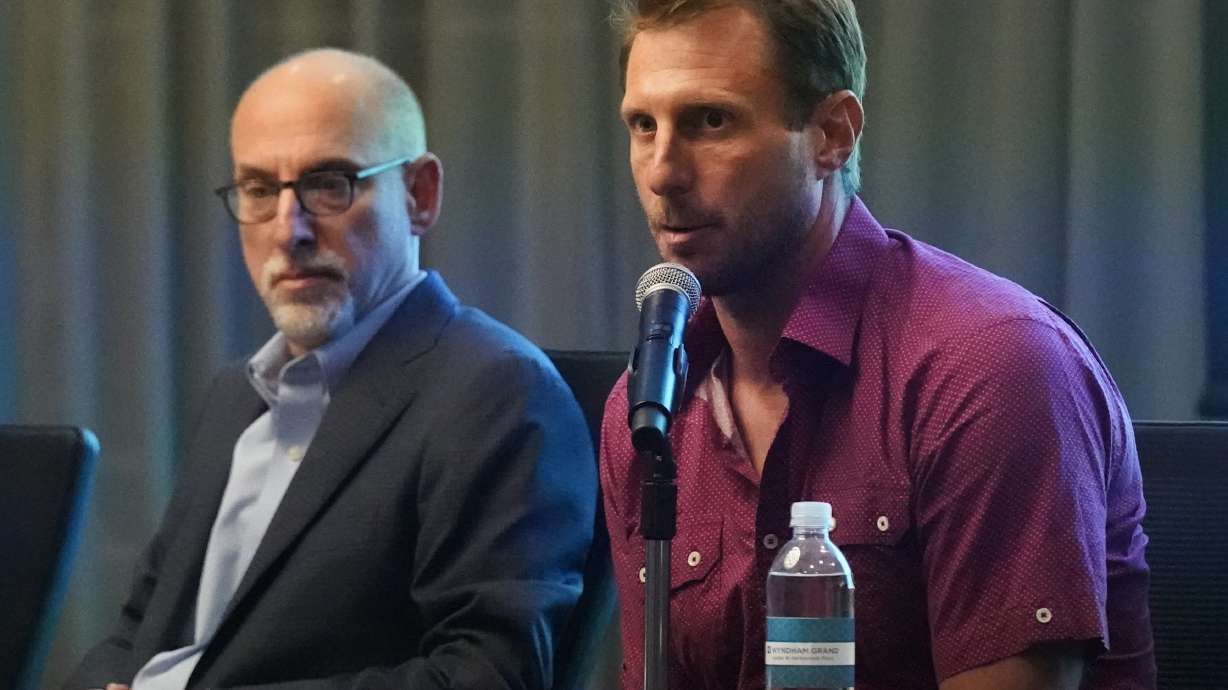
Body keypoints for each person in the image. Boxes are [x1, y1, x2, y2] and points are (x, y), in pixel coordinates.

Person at [599, 2, 1154, 689]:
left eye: (710, 121)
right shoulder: (649, 411)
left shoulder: (990, 368)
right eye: (642, 125)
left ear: (833, 133)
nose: (661, 173)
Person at [65, 48, 596, 690]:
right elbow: (136, 630)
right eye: (260, 189)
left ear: (420, 195)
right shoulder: (233, 396)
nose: (290, 229)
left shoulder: (498, 391)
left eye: (329, 183)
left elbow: (487, 674)